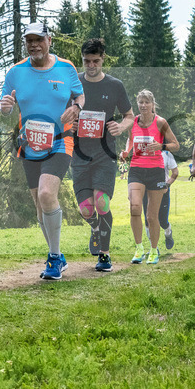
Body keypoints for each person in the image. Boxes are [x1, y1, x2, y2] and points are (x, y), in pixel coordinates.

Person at [0, 22, 84, 280]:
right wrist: (4, 106)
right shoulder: (15, 72)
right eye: (29, 40)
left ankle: (54, 258)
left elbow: (80, 95)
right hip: (29, 143)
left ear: (49, 40)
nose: (34, 44)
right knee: (39, 205)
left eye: (39, 39)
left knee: (47, 194)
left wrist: (77, 108)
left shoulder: (66, 68)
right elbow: (3, 104)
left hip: (60, 140)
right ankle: (56, 254)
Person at [71, 38, 133, 272]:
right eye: (87, 61)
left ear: (103, 59)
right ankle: (95, 227)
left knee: (101, 201)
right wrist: (71, 126)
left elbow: (128, 115)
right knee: (86, 209)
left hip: (105, 153)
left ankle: (104, 255)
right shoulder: (74, 83)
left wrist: (121, 127)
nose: (91, 65)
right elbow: (64, 114)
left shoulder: (115, 85)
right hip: (79, 154)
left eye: (96, 61)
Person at [121, 90, 180, 265]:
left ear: (153, 104)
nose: (143, 105)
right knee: (135, 206)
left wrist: (161, 146)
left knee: (152, 216)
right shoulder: (133, 122)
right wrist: (127, 151)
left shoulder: (160, 122)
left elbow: (176, 145)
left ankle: (154, 250)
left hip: (155, 170)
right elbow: (131, 140)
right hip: (137, 169)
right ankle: (139, 248)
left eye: (147, 102)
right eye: (140, 102)